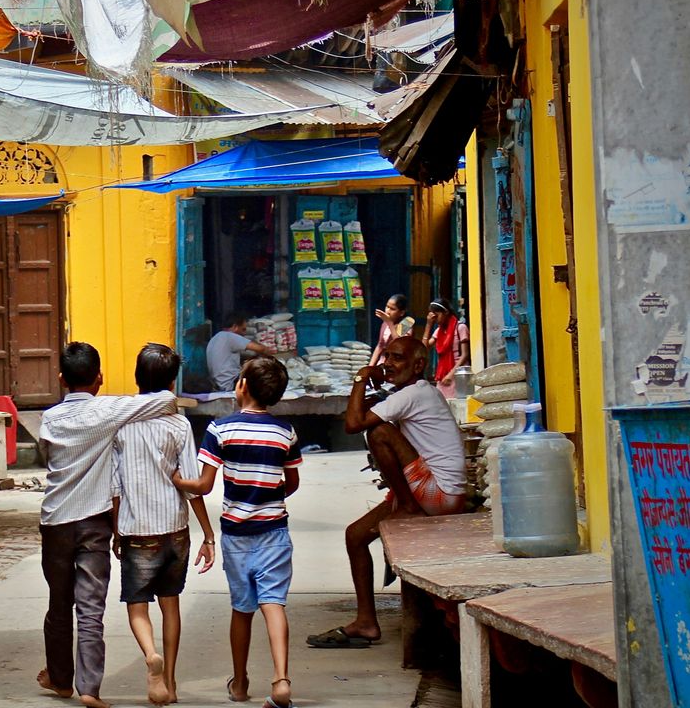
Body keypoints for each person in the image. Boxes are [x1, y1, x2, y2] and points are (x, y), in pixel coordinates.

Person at [37, 342, 178, 708]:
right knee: (90, 608)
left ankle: (60, 678)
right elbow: (166, 401)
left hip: (55, 522)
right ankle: (89, 688)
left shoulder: (49, 419)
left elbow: (46, 453)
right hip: (94, 523)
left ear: (61, 379)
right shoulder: (109, 410)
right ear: (99, 378)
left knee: (59, 603)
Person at [308, 336, 466, 649]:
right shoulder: (408, 393)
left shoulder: (415, 394)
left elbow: (354, 423)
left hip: (439, 495)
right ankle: (366, 621)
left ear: (418, 365)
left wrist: (361, 377)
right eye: (387, 358)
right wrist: (366, 387)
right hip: (430, 490)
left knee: (379, 431)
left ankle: (406, 505)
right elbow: (358, 409)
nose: (388, 365)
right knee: (355, 535)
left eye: (396, 359)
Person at [172, 356, 301, 708]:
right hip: (275, 532)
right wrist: (267, 493)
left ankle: (241, 682)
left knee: (242, 609)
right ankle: (281, 680)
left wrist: (176, 479)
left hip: (236, 535)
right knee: (273, 604)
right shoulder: (285, 432)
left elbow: (203, 484)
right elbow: (292, 482)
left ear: (241, 385)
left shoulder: (220, 429)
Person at [111, 344, 216, 706]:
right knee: (170, 605)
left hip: (137, 529)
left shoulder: (121, 426)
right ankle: (170, 683)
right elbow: (190, 484)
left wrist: (115, 530)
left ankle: (150, 656)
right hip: (175, 529)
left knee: (137, 606)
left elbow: (115, 487)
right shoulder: (179, 425)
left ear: (138, 378)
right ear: (172, 382)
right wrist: (208, 533)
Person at [206, 313, 271, 391]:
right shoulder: (229, 336)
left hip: (218, 384)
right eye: (243, 329)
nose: (244, 333)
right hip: (230, 383)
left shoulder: (215, 338)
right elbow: (261, 349)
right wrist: (272, 359)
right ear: (235, 327)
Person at [423, 298, 469, 398]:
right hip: (443, 374)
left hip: (458, 373)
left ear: (446, 312)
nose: (435, 319)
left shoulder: (460, 328)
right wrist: (428, 325)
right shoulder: (439, 331)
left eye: (437, 315)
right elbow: (424, 348)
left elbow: (465, 355)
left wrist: (451, 374)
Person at [368, 294, 415, 367]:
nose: (388, 311)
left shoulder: (407, 322)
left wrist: (389, 323)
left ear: (401, 313)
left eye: (392, 309)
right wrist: (370, 366)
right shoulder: (385, 323)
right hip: (384, 362)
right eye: (387, 307)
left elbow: (399, 343)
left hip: (399, 365)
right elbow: (380, 345)